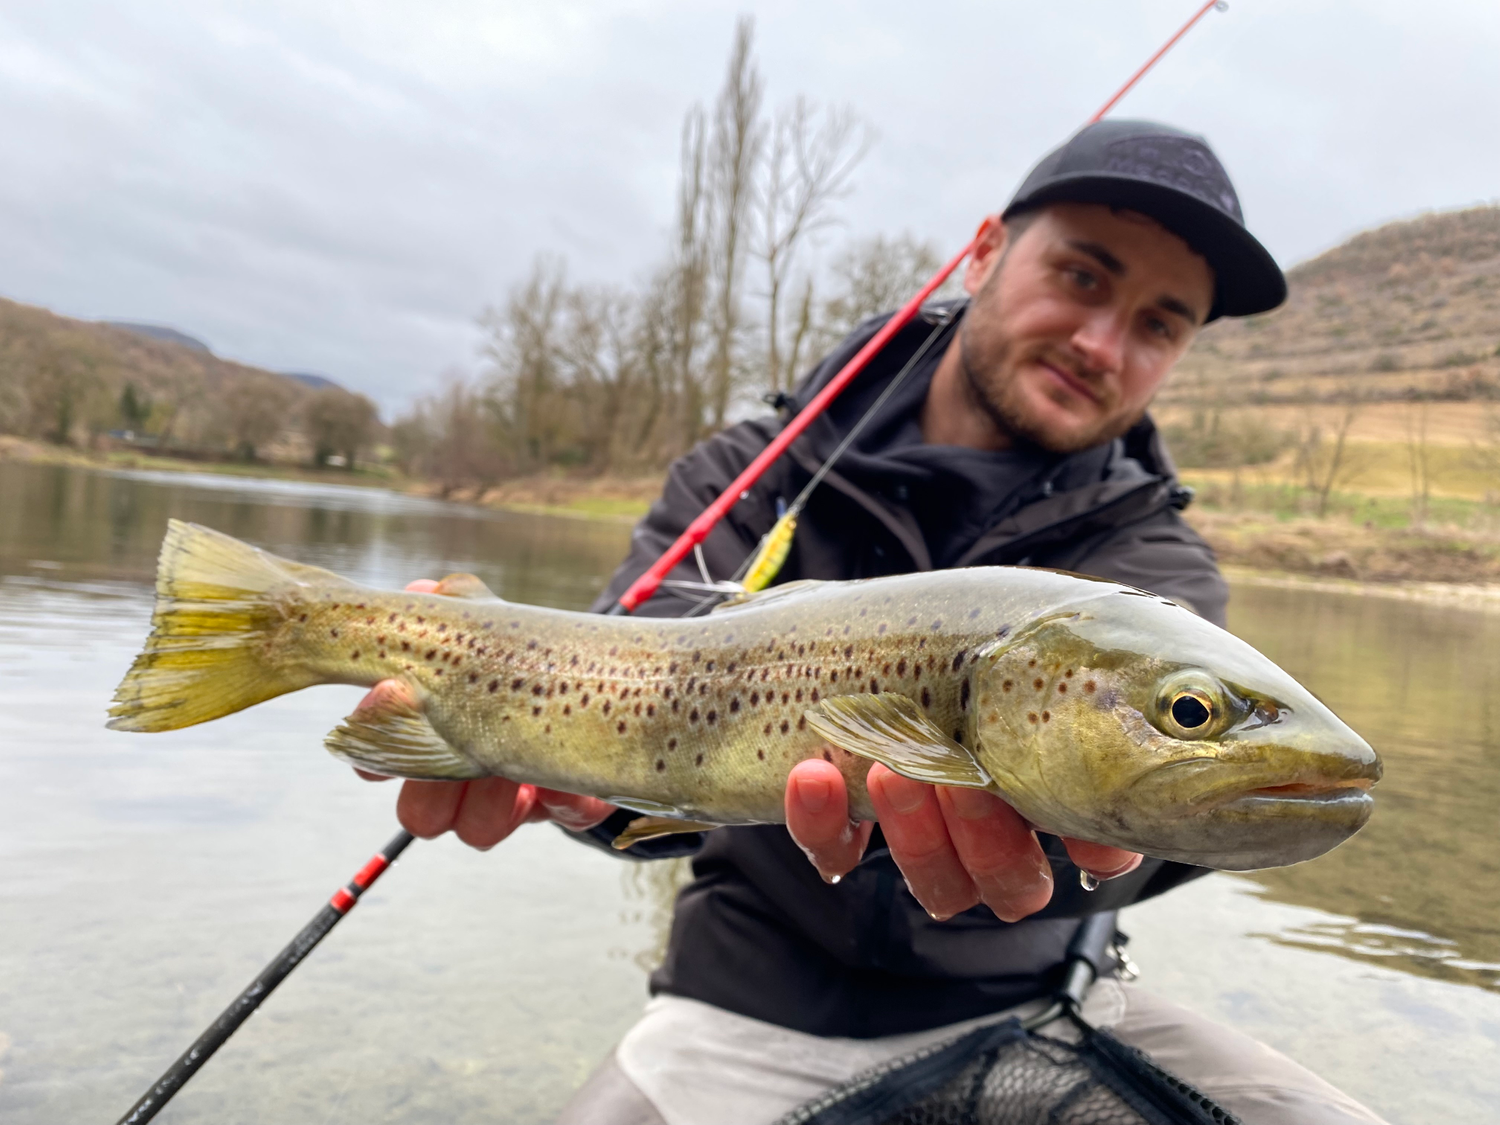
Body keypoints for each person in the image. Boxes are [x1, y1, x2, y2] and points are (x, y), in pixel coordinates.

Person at [361, 120, 1386, 1124]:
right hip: (746, 1002)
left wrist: (1100, 849)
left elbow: (1157, 827)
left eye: (1161, 323)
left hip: (1033, 1006)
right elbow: (627, 742)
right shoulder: (743, 478)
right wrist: (569, 789)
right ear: (984, 253)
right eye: (1082, 276)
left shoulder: (1153, 566)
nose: (1102, 342)